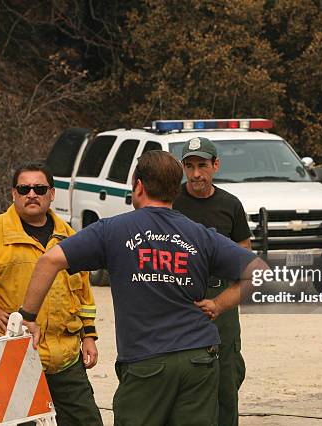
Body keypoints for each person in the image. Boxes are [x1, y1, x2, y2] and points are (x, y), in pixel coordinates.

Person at [19, 150, 267, 426]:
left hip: (147, 362)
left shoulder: (112, 230)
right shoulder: (200, 234)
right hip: (199, 358)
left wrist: (29, 317)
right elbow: (260, 273)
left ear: (138, 185)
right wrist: (219, 304)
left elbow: (49, 261)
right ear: (175, 188)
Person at [0, 162, 102, 426]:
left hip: (66, 360)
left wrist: (89, 336)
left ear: (52, 194)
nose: (32, 194)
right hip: (17, 358)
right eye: (24, 188)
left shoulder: (68, 236)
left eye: (39, 188)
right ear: (13, 194)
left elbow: (83, 291)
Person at [172, 137, 251, 426]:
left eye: (202, 166)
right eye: (189, 166)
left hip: (221, 300)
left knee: (226, 377)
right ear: (182, 168)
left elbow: (244, 255)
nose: (196, 174)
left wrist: (227, 297)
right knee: (181, 376)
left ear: (215, 165)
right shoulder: (172, 202)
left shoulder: (230, 204)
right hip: (179, 298)